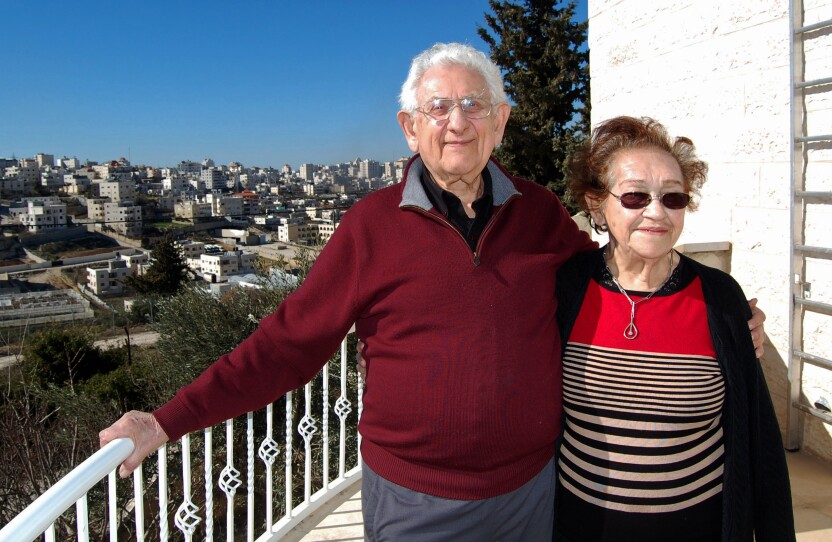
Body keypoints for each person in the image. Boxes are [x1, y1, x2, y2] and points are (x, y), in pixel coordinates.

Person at [100, 44, 766, 541]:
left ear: (500, 122)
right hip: (415, 499)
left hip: (534, 492)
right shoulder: (369, 228)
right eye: (438, 107)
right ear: (408, 127)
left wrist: (728, 319)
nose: (457, 121)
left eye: (474, 104)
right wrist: (165, 420)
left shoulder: (541, 218)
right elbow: (288, 344)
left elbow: (612, 280)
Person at [553, 116, 793, 541]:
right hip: (579, 525)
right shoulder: (566, 286)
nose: (656, 212)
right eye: (634, 196)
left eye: (673, 197)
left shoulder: (719, 297)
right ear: (595, 203)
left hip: (697, 526)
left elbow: (759, 439)